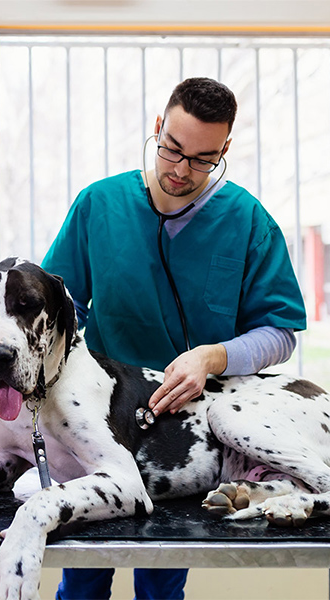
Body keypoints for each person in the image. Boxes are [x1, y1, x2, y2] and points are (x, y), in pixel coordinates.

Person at [42, 77, 307, 600]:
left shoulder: (248, 221)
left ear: (224, 150)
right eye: (172, 150)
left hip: (190, 434)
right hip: (102, 422)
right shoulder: (100, 205)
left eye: (203, 159)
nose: (181, 170)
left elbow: (281, 332)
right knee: (82, 579)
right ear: (158, 128)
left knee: (162, 584)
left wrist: (214, 356)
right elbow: (59, 308)